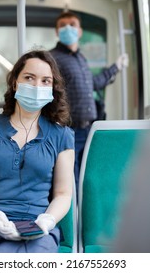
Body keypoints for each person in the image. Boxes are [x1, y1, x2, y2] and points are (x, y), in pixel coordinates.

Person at [0, 49, 75, 253]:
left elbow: (63, 193)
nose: (37, 86)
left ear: (52, 88)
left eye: (45, 81)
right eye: (29, 78)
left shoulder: (62, 135)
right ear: (15, 82)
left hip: (35, 226)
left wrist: (47, 221)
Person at [50, 11, 129, 195]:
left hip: (89, 130)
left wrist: (115, 67)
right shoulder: (52, 58)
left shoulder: (81, 59)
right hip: (68, 130)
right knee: (71, 182)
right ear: (56, 32)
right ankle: (73, 222)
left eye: (72, 24)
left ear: (80, 31)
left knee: (89, 179)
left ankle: (87, 219)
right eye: (63, 25)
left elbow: (94, 84)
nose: (68, 28)